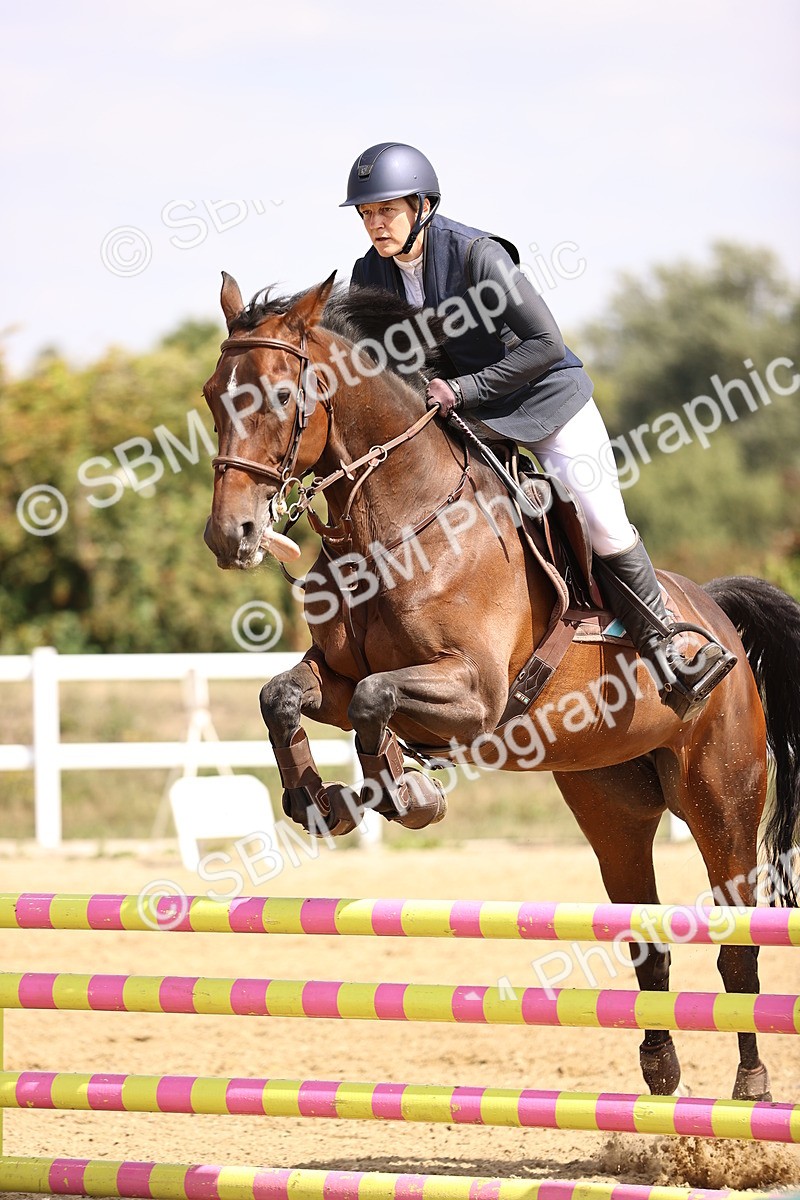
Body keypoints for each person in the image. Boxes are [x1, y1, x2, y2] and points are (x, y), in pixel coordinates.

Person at [341, 141, 736, 719]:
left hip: (545, 401)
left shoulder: (477, 256)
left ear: (422, 205)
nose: (376, 224)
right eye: (367, 214)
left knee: (601, 519)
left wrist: (465, 389)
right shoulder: (368, 273)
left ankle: (668, 646)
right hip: (469, 417)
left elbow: (546, 344)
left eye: (387, 210)